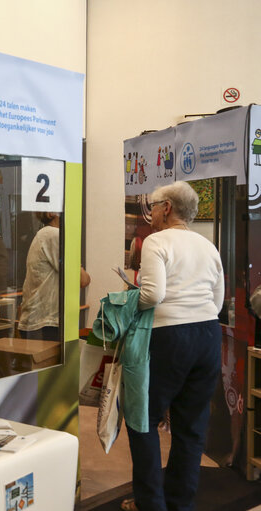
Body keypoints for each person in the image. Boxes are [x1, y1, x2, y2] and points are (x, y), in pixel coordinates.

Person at [122, 181, 224, 511]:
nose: (148, 212)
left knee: (143, 419)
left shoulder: (156, 241)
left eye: (151, 205)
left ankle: (150, 504)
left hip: (168, 337)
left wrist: (125, 304)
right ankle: (180, 504)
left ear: (166, 208)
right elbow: (218, 301)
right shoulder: (207, 245)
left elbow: (152, 295)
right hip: (208, 335)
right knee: (191, 427)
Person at [18, 212, 90, 341]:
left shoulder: (44, 234)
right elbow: (82, 280)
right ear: (51, 213)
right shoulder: (53, 235)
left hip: (39, 321)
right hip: (45, 324)